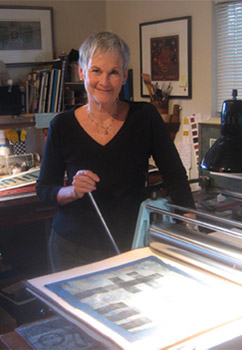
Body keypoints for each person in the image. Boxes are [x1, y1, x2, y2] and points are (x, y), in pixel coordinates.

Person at [36, 31, 195, 272]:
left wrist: (190, 224)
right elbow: (45, 189)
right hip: (72, 249)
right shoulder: (62, 125)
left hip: (131, 243)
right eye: (96, 70)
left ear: (123, 77)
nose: (105, 81)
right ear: (82, 72)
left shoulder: (145, 117)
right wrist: (72, 191)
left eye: (114, 72)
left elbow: (174, 175)